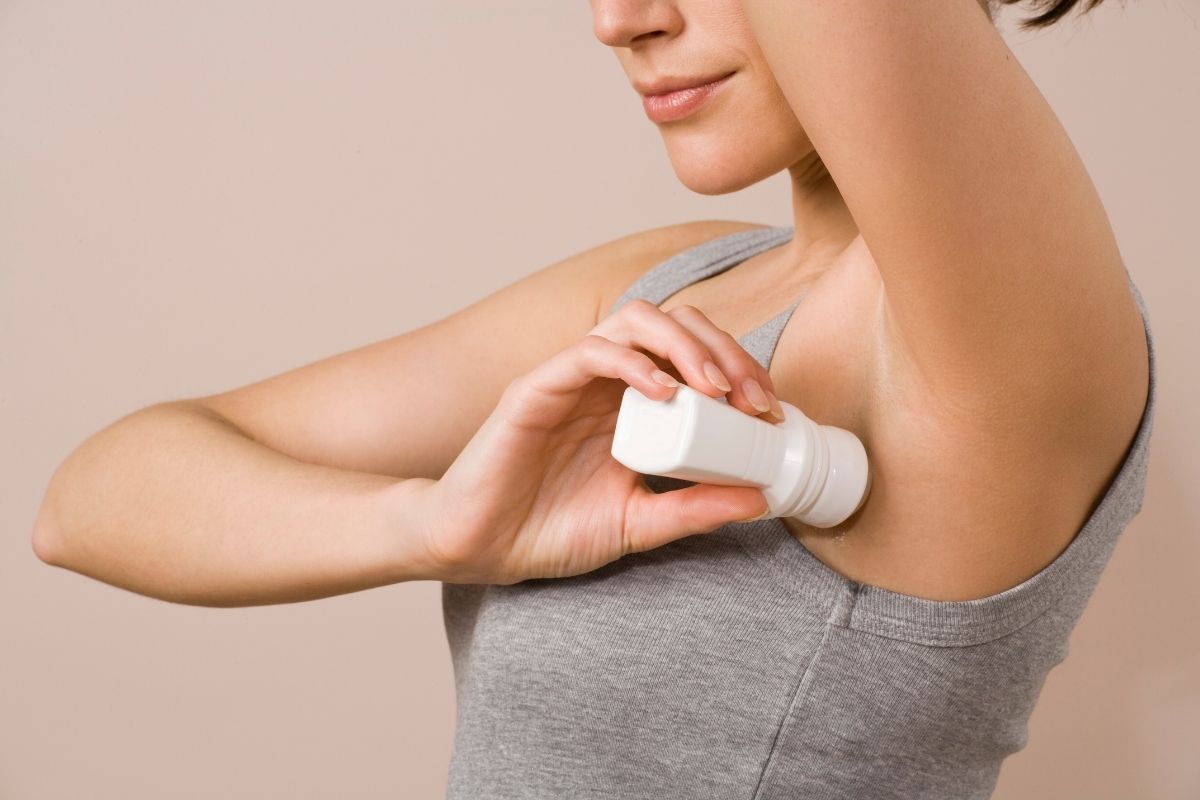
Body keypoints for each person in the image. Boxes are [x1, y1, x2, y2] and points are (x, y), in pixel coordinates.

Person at [32, 0, 1156, 796]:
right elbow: (88, 502)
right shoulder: (675, 285)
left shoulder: (1004, 335)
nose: (618, 18)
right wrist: (430, 524)